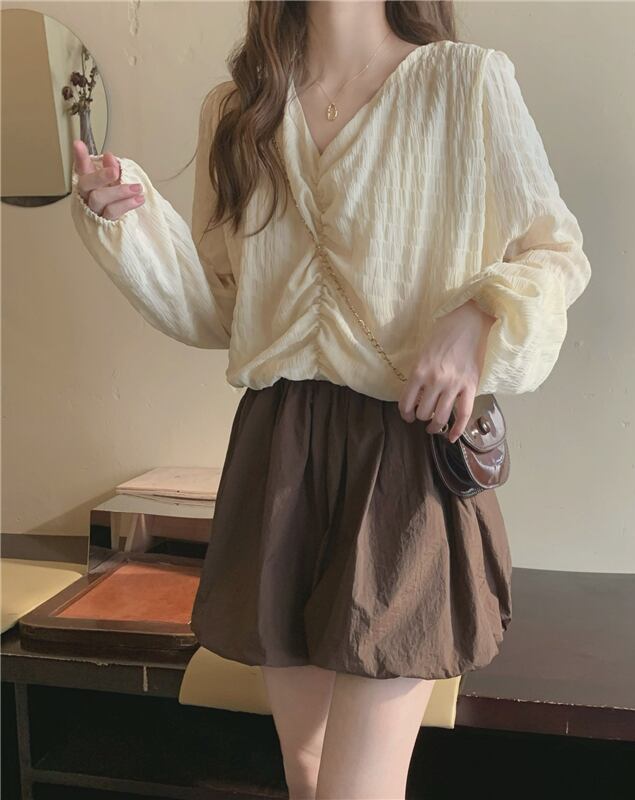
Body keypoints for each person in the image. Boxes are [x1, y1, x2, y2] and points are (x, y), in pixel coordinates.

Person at [70, 2, 591, 797]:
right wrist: (129, 228)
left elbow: (556, 253)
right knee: (307, 770)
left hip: (403, 456)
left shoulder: (466, 84)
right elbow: (225, 308)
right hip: (279, 448)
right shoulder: (240, 108)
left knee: (356, 788)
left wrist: (479, 316)